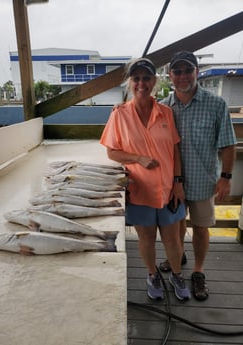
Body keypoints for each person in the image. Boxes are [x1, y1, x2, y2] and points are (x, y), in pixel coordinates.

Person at [100, 57, 191, 301]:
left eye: (146, 78)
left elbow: (174, 150)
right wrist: (138, 159)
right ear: (130, 82)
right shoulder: (119, 114)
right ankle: (152, 274)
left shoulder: (166, 112)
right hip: (139, 190)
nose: (141, 83)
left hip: (168, 189)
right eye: (136, 78)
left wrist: (178, 182)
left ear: (154, 81)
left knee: (172, 237)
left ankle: (177, 274)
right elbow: (112, 151)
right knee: (146, 237)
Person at [159, 51, 237, 301]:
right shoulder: (162, 107)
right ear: (170, 75)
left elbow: (228, 144)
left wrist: (225, 176)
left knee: (202, 228)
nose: (183, 76)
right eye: (177, 71)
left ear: (197, 72)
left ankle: (198, 271)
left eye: (187, 70)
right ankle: (177, 258)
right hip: (172, 182)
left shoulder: (216, 104)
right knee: (176, 226)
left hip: (204, 180)